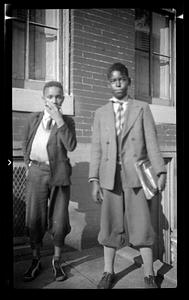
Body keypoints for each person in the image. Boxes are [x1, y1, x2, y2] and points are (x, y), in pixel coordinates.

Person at [89, 62, 167, 289]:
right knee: (109, 225)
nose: (118, 83)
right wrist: (94, 179)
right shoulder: (101, 113)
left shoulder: (141, 108)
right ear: (108, 84)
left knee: (142, 225)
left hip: (137, 175)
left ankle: (149, 273)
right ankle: (107, 271)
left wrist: (160, 170)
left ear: (128, 81)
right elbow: (96, 148)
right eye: (113, 80)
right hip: (109, 176)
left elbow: (152, 141)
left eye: (122, 79)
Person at [22, 81, 77, 282]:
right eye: (50, 96)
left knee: (59, 219)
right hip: (36, 171)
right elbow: (24, 142)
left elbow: (71, 145)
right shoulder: (33, 119)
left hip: (59, 173)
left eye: (59, 96)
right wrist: (28, 165)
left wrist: (59, 120)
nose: (54, 100)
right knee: (34, 217)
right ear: (44, 98)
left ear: (63, 99)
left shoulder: (67, 121)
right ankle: (35, 260)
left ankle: (56, 261)